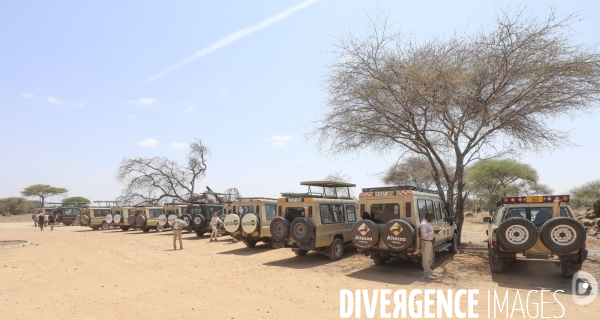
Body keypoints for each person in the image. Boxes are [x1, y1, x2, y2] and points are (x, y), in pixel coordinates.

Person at [420, 212, 440, 280]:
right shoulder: (423, 224)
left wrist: (435, 232)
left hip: (430, 242)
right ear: (428, 216)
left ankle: (429, 272)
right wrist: (433, 232)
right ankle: (427, 274)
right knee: (426, 259)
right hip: (426, 242)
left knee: (430, 258)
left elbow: (429, 233)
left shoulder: (427, 223)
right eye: (432, 217)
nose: (432, 219)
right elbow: (424, 235)